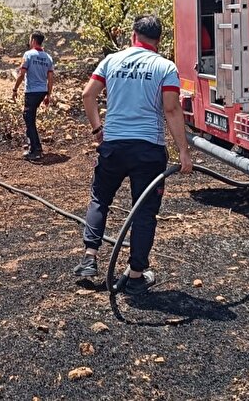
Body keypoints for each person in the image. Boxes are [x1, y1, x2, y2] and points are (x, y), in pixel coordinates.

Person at [72, 15, 192, 295]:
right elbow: (172, 110)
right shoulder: (165, 67)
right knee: (144, 210)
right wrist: (184, 152)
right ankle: (136, 273)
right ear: (159, 40)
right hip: (147, 150)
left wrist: (97, 129)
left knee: (100, 198)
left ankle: (90, 257)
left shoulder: (111, 61)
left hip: (113, 145)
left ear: (133, 35)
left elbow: (88, 95)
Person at [11, 31, 55, 161]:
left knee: (29, 120)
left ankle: (36, 149)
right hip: (42, 91)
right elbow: (50, 77)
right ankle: (31, 146)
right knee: (30, 119)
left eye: (30, 39)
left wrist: (15, 89)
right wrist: (48, 94)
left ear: (34, 40)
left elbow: (22, 73)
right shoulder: (48, 57)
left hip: (31, 91)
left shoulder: (28, 55)